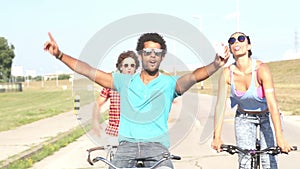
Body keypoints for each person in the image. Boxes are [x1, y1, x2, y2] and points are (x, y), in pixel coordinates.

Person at [44, 32, 229, 168]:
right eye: (148, 51)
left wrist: (216, 64)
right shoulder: (123, 81)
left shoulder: (169, 83)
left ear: (162, 56)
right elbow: (88, 71)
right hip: (127, 147)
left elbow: (195, 76)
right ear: (140, 55)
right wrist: (60, 55)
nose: (152, 56)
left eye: (157, 52)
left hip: (157, 147)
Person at [211, 32, 293, 169]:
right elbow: (220, 106)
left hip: (267, 116)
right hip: (244, 117)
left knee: (269, 162)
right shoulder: (227, 73)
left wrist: (280, 137)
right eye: (232, 40)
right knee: (245, 162)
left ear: (249, 46)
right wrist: (216, 136)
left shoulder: (262, 69)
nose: (236, 42)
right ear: (230, 48)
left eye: (241, 39)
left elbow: (273, 105)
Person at [92, 50, 140, 146]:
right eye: (126, 66)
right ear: (120, 67)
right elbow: (98, 103)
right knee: (115, 159)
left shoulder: (140, 85)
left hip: (135, 135)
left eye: (132, 66)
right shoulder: (111, 83)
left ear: (136, 68)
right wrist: (95, 122)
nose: (129, 69)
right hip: (115, 134)